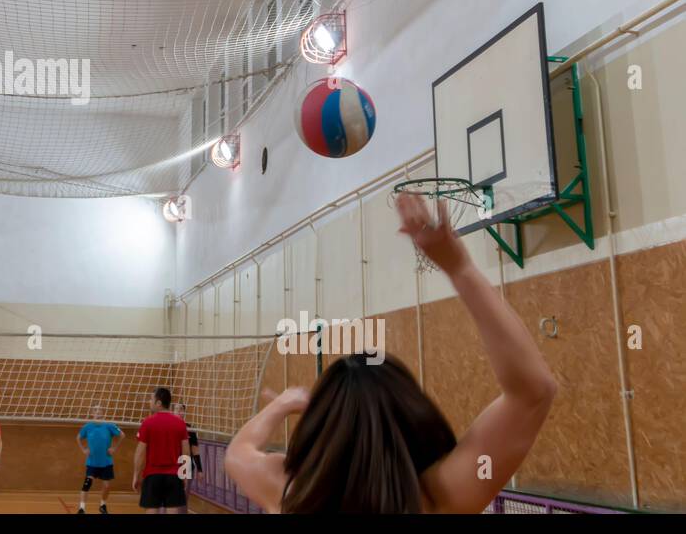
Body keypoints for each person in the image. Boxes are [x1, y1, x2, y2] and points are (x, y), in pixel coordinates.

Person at [224, 194, 558, 513]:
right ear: (413, 416)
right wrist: (460, 268)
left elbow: (238, 454)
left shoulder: (287, 489)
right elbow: (533, 391)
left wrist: (285, 402)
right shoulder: (440, 496)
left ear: (322, 424)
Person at [132, 387, 190, 514]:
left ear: (158, 403)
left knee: (152, 511)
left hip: (152, 476)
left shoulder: (147, 423)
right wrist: (185, 474)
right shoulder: (180, 423)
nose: (149, 401)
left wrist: (136, 475)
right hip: (174, 476)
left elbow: (140, 452)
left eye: (151, 399)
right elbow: (186, 451)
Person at [75, 403, 121, 514]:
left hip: (106, 462)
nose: (98, 412)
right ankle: (82, 508)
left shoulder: (109, 425)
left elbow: (122, 435)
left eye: (100, 410)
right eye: (95, 410)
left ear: (103, 412)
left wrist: (114, 448)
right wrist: (84, 449)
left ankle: (102, 505)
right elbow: (78, 438)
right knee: (87, 483)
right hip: (92, 462)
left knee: (107, 485)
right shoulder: (88, 426)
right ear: (92, 413)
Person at [174, 402, 204, 511]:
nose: (178, 411)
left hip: (186, 465)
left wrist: (200, 470)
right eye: (176, 409)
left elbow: (195, 450)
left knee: (183, 499)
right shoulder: (169, 427)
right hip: (171, 466)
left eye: (181, 409)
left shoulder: (190, 429)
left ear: (184, 412)